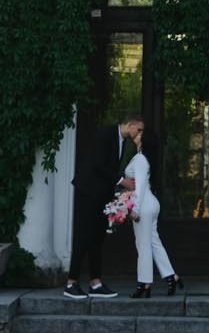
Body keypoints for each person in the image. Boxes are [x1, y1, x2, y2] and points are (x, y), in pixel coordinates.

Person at [63, 114, 142, 300]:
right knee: (83, 235)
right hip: (88, 191)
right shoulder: (105, 134)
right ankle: (71, 283)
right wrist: (122, 181)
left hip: (101, 194)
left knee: (97, 237)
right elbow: (98, 164)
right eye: (138, 129)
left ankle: (95, 283)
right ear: (130, 124)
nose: (140, 133)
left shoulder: (123, 141)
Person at [125, 125, 181, 297]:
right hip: (150, 203)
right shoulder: (143, 158)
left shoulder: (141, 159)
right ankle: (171, 276)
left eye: (140, 133)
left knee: (143, 245)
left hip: (144, 205)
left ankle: (144, 283)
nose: (137, 134)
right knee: (153, 242)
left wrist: (134, 208)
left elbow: (140, 186)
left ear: (144, 140)